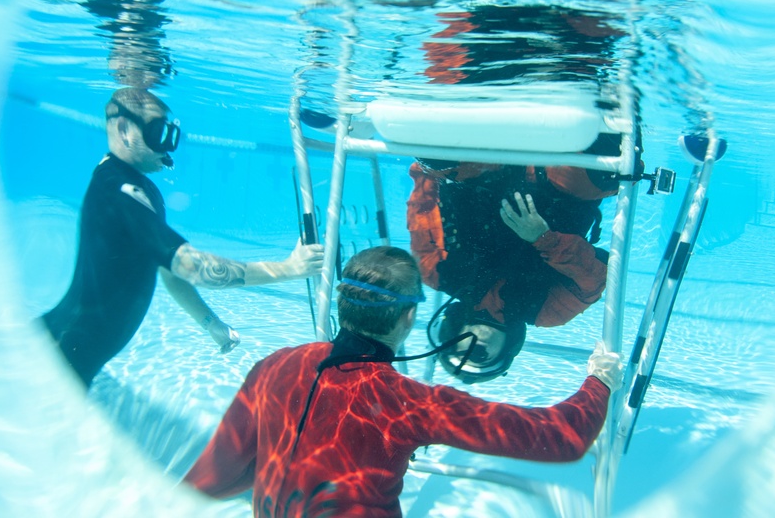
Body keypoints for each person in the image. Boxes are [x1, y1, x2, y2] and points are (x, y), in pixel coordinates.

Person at [183, 246, 622, 517]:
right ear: (410, 317)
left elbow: (213, 479)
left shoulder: (274, 367)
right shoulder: (408, 402)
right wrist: (599, 382)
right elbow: (561, 437)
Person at [39, 87, 324, 389]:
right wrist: (289, 269)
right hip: (57, 362)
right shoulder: (120, 191)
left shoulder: (136, 188)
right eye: (160, 133)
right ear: (124, 129)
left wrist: (209, 323)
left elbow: (170, 269)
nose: (169, 147)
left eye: (173, 134)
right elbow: (194, 267)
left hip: (64, 351)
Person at [407, 156, 621, 382]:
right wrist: (544, 239)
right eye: (480, 356)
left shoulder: (435, 272)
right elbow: (594, 279)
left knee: (441, 161)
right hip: (558, 188)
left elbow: (422, 206)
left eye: (461, 352)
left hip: (484, 171)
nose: (472, 349)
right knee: (593, 173)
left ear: (451, 337)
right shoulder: (546, 312)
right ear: (506, 350)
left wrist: (432, 166)